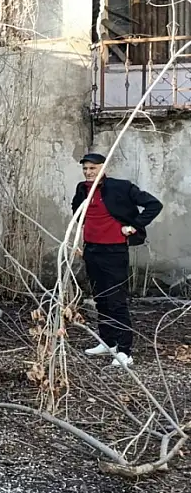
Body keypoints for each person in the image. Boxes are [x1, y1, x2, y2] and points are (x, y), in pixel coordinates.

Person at [71, 152, 163, 368]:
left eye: (92, 168)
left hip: (114, 251)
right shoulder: (82, 189)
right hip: (91, 250)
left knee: (116, 301)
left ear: (103, 168)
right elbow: (77, 210)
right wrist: (78, 236)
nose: (88, 172)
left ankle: (124, 351)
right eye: (85, 168)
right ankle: (108, 342)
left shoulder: (121, 187)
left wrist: (134, 226)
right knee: (100, 297)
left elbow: (154, 205)